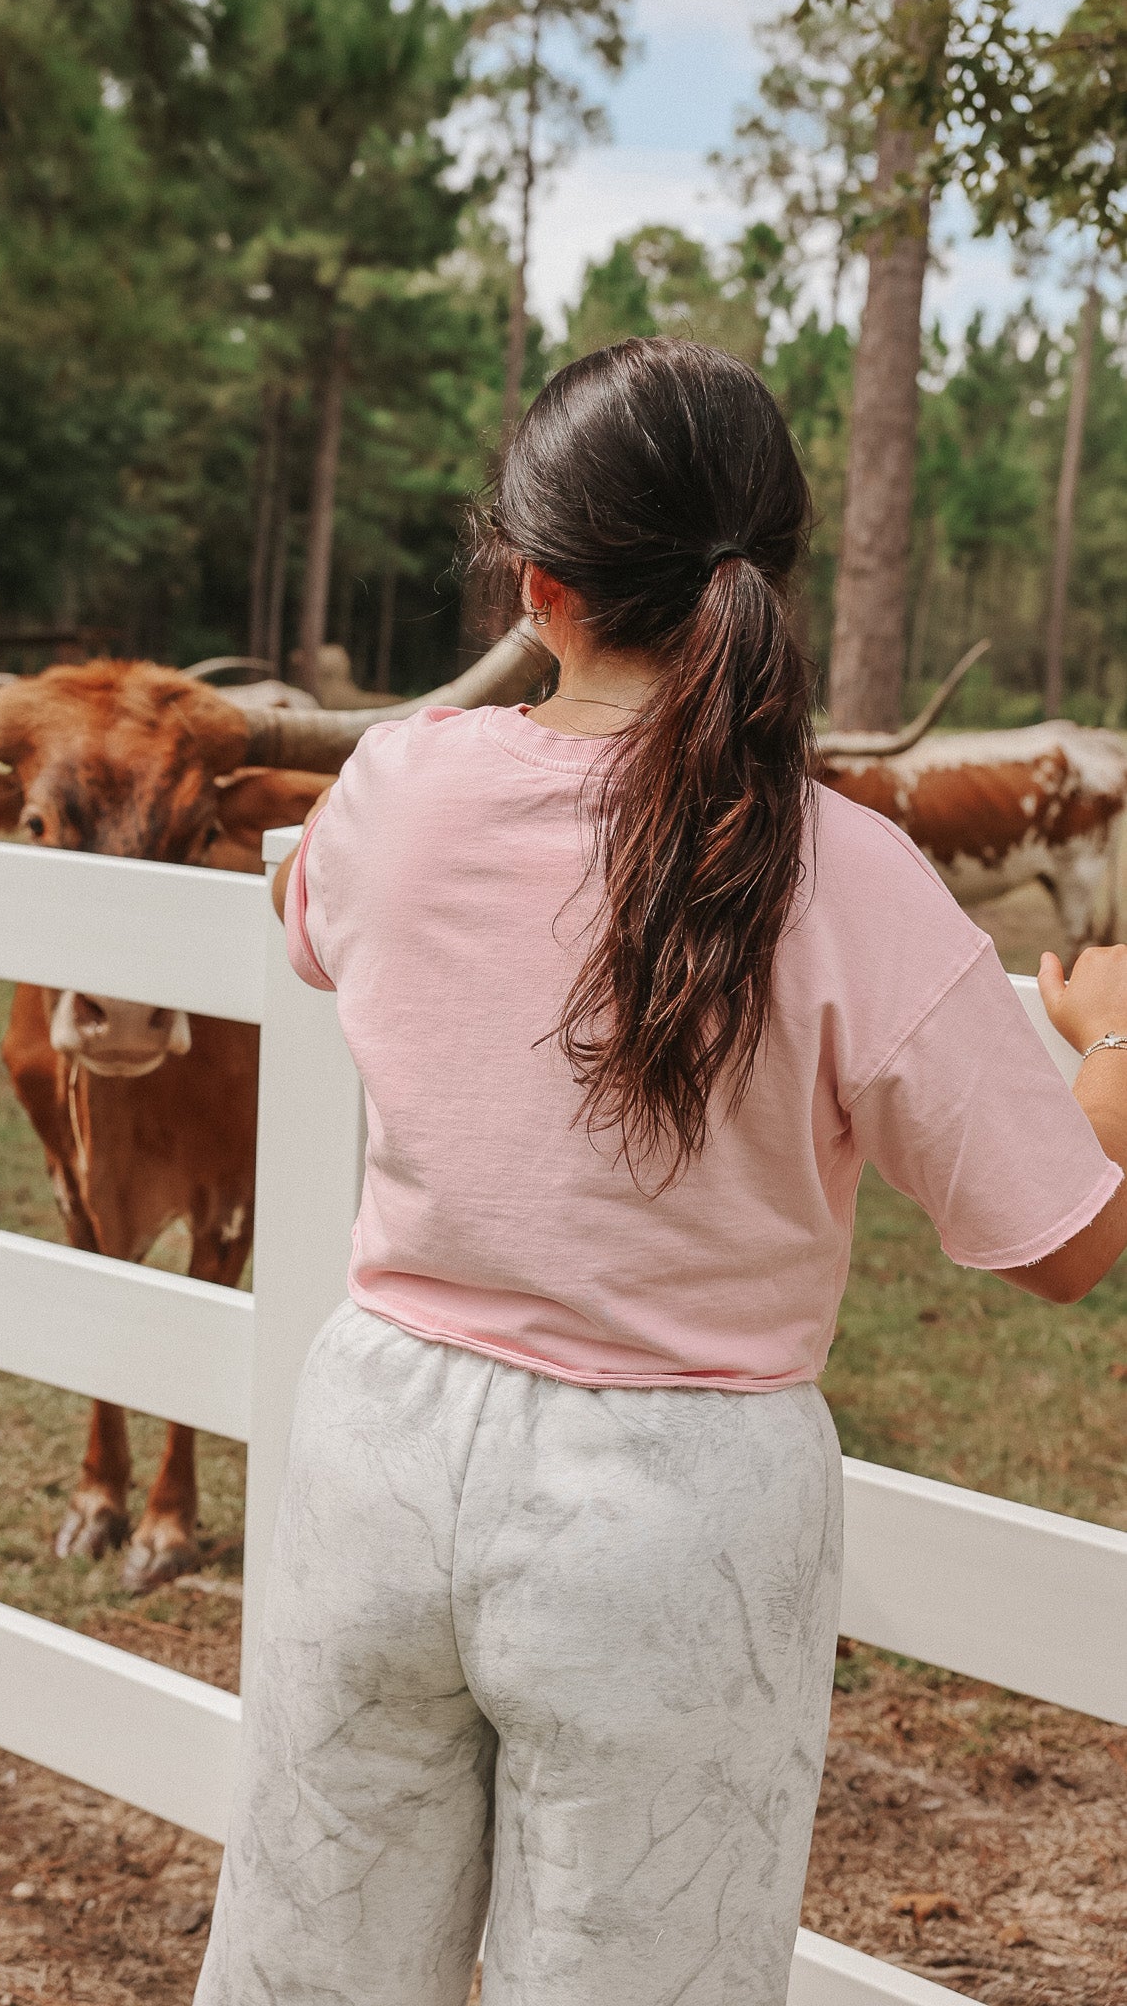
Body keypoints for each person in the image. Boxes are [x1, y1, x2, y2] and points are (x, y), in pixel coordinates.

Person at [194, 339, 1127, 2006]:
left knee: (310, 1969)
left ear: (534, 581)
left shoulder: (398, 788)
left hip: (374, 1456)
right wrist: (1109, 1057)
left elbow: (306, 924)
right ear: (762, 571)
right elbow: (1056, 1246)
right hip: (680, 1517)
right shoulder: (848, 871)